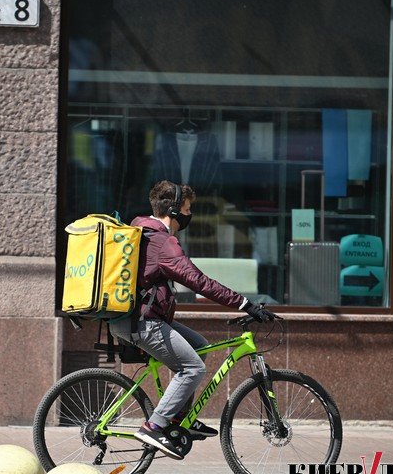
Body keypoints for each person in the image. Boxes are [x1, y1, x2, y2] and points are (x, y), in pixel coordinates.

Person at [117, 180, 275, 459]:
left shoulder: (142, 230)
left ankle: (179, 419)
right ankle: (154, 425)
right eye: (188, 209)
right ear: (175, 210)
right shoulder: (162, 241)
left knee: (199, 347)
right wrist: (244, 304)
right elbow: (197, 281)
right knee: (191, 368)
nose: (190, 215)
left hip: (139, 318)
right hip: (144, 322)